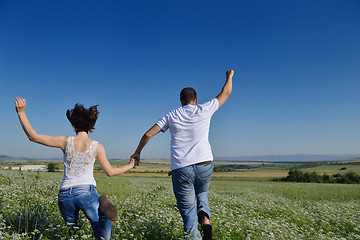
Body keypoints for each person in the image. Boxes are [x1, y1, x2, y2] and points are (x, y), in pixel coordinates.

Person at [15, 98, 138, 240]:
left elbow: (33, 137)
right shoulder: (97, 146)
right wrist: (130, 165)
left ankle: (93, 223)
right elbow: (110, 172)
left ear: (74, 124)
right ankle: (104, 216)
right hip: (86, 192)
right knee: (101, 234)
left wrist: (21, 112)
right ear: (92, 125)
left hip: (65, 194)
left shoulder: (65, 141)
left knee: (74, 234)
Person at [131, 70, 234, 240]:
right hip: (204, 165)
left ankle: (195, 235)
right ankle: (206, 220)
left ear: (180, 101)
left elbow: (148, 134)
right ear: (196, 100)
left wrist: (137, 152)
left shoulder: (171, 115)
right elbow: (226, 93)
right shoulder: (204, 108)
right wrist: (229, 76)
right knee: (202, 193)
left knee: (188, 213)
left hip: (182, 169)